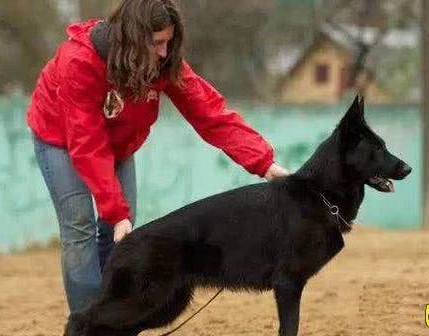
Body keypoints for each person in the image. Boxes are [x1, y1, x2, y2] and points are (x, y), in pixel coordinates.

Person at [26, 0, 289, 318]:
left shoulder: (165, 64)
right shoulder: (79, 62)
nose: (164, 52)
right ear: (132, 38)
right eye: (156, 43)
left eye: (169, 42)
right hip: (60, 141)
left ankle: (112, 315)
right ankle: (88, 323)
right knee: (79, 227)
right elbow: (87, 144)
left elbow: (211, 114)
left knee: (120, 230)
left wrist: (264, 163)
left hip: (117, 145)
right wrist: (115, 210)